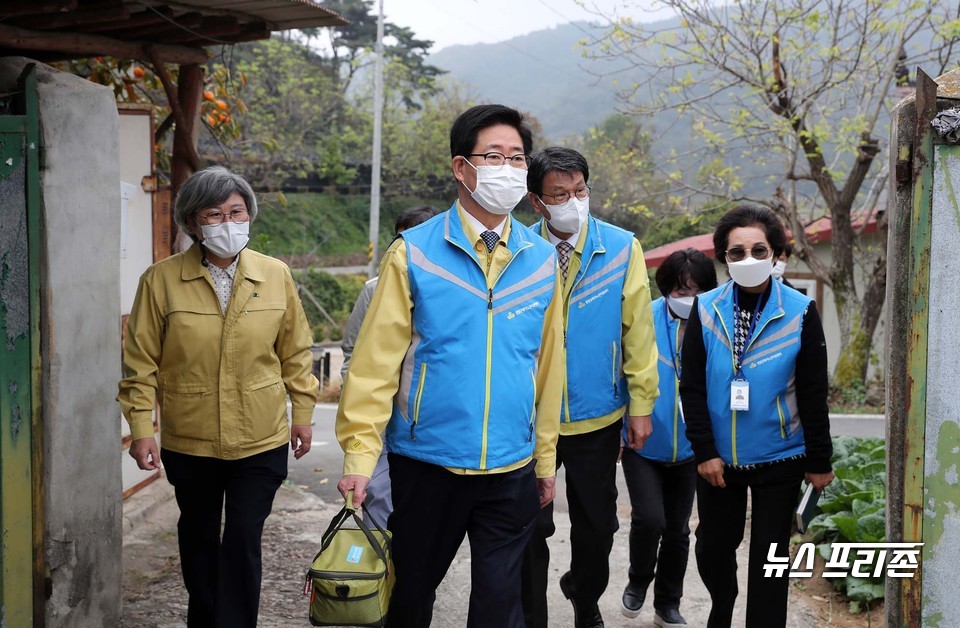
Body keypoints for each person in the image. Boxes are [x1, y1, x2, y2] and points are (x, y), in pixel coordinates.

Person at [335, 104, 564, 628]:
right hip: (427, 464)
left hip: (511, 467)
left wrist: (544, 459)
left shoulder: (541, 259)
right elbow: (373, 370)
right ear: (461, 168)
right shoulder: (413, 254)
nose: (508, 168)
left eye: (517, 158)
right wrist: (359, 459)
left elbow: (548, 369)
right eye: (493, 156)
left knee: (499, 606)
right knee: (410, 595)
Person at [117, 166, 319, 628]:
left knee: (245, 537)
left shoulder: (275, 275)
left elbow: (295, 351)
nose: (228, 224)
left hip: (261, 436)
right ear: (193, 223)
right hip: (191, 438)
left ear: (249, 216)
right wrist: (142, 430)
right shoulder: (160, 280)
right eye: (215, 214)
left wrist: (303, 414)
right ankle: (205, 618)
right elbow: (140, 363)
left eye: (236, 212)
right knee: (199, 539)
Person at [521, 146, 660, 628]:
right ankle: (531, 614)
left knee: (598, 525)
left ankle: (583, 597)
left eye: (579, 191)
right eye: (559, 194)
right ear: (536, 202)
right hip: (530, 415)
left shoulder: (622, 247)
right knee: (530, 524)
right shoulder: (520, 248)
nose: (572, 202)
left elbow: (639, 331)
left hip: (596, 414)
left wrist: (641, 403)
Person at [679, 204, 835, 628]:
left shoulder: (801, 311)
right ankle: (723, 605)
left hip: (781, 457)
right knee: (713, 547)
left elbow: (813, 391)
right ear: (723, 258)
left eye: (758, 249)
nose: (747, 260)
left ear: (776, 254)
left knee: (770, 560)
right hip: (719, 463)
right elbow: (690, 387)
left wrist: (820, 460)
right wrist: (705, 451)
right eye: (736, 252)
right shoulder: (705, 308)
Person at [620, 248, 718, 627]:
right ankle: (638, 579)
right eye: (679, 291)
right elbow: (622, 372)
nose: (687, 300)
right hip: (643, 442)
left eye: (695, 292)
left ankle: (668, 604)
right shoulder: (642, 319)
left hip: (692, 448)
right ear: (664, 289)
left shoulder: (714, 326)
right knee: (649, 519)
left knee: (678, 530)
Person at [339, 204, 437, 525]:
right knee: (379, 494)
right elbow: (354, 350)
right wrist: (358, 401)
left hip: (424, 420)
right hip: (382, 415)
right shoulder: (374, 289)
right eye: (400, 239)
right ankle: (380, 567)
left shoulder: (446, 291)